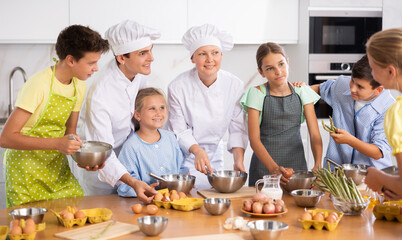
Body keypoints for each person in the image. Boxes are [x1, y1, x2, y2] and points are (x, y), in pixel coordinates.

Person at [0, 25, 109, 207]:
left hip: (56, 169)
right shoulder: (38, 85)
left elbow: (70, 134)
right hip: (25, 172)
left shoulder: (79, 85)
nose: (96, 68)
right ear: (71, 60)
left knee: (74, 218)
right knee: (33, 232)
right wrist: (57, 143)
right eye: (91, 63)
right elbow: (6, 138)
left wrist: (83, 160)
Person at [77, 20, 161, 203]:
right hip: (102, 170)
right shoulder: (100, 95)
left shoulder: (137, 73)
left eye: (150, 50)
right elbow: (103, 151)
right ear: (122, 58)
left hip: (128, 161)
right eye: (143, 53)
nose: (151, 58)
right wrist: (133, 182)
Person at [167, 24, 248, 189]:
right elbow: (179, 130)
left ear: (221, 55)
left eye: (215, 53)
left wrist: (238, 160)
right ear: (192, 58)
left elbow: (237, 128)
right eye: (202, 54)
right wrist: (197, 151)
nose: (210, 60)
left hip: (214, 155)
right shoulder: (177, 86)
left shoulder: (234, 85)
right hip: (185, 156)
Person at [241, 42, 322, 186]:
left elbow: (314, 134)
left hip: (297, 168)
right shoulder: (256, 93)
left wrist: (317, 163)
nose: (278, 71)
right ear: (261, 72)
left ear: (288, 62)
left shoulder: (302, 92)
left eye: (281, 64)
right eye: (270, 68)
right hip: (264, 168)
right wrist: (274, 169)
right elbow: (254, 139)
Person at [293, 55, 395, 169]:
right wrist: (302, 89)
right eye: (352, 81)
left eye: (360, 86)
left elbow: (378, 152)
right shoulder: (342, 85)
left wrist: (350, 140)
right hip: (336, 171)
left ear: (378, 90)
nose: (352, 89)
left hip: (372, 176)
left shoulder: (389, 110)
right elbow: (320, 89)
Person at [117, 88, 188, 197]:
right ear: (137, 115)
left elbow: (180, 169)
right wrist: (147, 191)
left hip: (172, 200)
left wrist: (184, 181)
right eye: (152, 109)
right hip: (143, 203)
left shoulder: (171, 138)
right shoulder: (131, 147)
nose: (158, 113)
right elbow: (124, 184)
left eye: (162, 108)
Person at [364, 28, 402, 200]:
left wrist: (378, 177)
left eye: (372, 68)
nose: (371, 74)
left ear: (390, 71)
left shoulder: (397, 113)